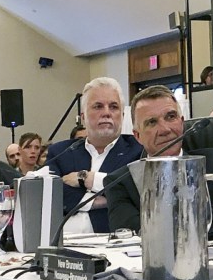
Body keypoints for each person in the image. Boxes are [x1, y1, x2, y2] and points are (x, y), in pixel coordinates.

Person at [105, 85, 213, 240]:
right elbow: (133, 234)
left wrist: (162, 223)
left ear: (181, 122)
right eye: (152, 122)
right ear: (137, 135)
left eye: (170, 117)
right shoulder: (121, 182)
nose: (165, 129)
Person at [47, 77, 143, 233]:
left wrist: (86, 178)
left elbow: (137, 194)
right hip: (63, 245)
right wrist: (102, 200)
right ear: (83, 117)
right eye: (98, 106)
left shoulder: (137, 151)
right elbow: (49, 196)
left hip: (113, 247)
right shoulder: (60, 152)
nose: (106, 113)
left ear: (123, 115)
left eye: (113, 107)